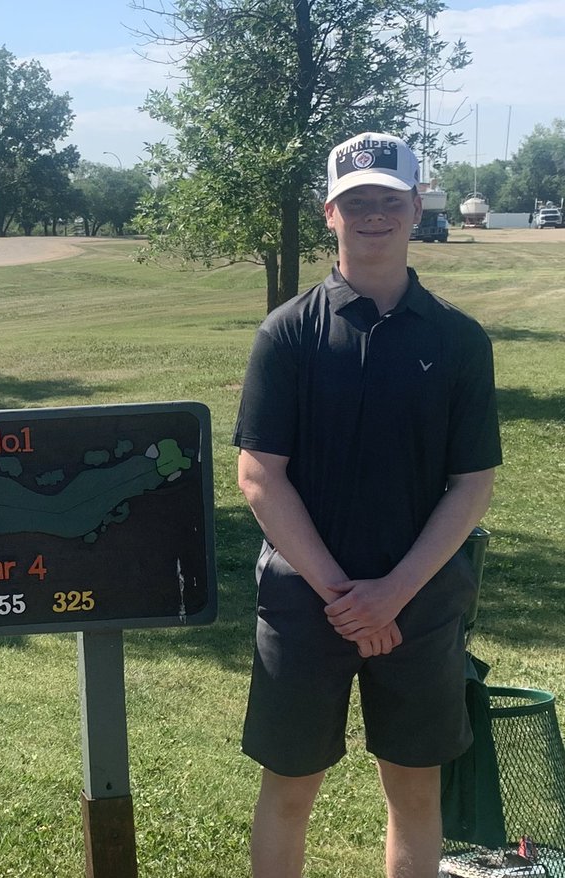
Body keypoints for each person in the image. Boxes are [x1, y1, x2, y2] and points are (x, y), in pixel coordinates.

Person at [232, 133, 501, 878]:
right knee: (288, 791)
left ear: (417, 207)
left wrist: (392, 595)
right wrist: (347, 599)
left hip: (421, 600)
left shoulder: (458, 340)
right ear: (330, 213)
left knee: (414, 791)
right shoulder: (287, 334)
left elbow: (471, 484)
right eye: (357, 202)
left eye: (390, 199)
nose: (373, 215)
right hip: (302, 601)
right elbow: (261, 478)